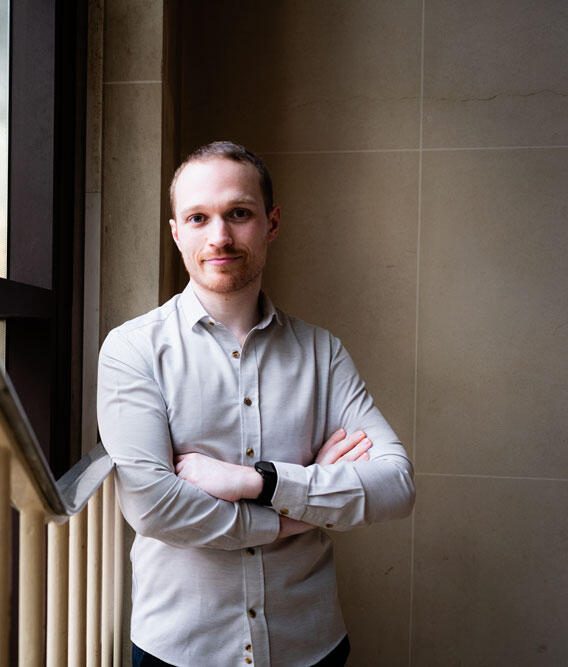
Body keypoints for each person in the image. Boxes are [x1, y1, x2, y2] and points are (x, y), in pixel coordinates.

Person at [96, 141, 415, 666]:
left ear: (271, 222)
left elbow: (396, 485)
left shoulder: (322, 353)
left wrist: (258, 482)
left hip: (309, 646)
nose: (219, 236)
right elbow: (153, 507)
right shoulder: (132, 349)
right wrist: (296, 514)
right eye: (198, 217)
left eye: (238, 214)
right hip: (182, 651)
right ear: (176, 232)